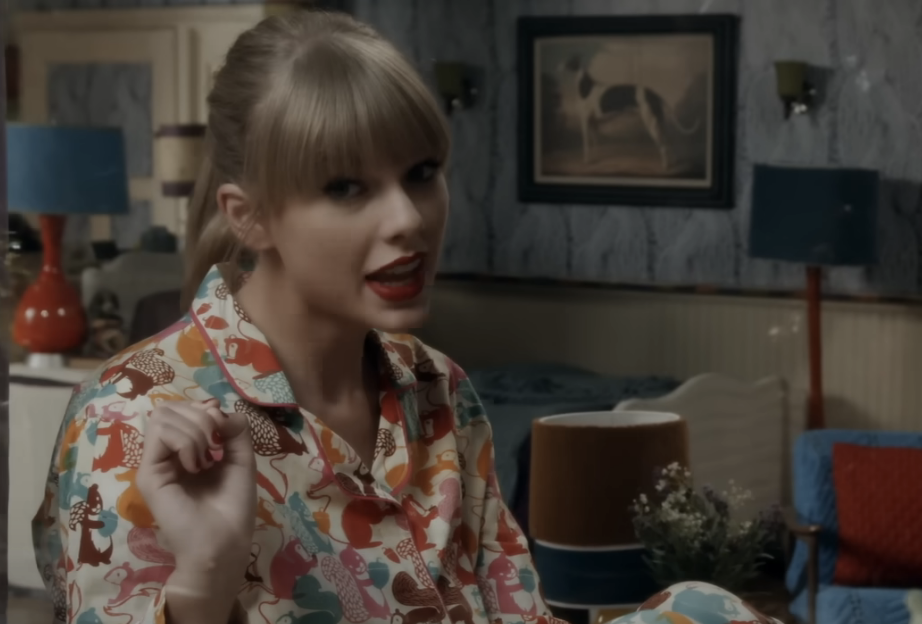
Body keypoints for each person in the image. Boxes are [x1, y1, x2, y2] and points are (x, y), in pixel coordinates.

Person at [32, 9, 781, 624]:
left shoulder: (436, 385)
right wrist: (204, 576)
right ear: (248, 216)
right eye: (347, 187)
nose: (409, 220)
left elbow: (515, 609)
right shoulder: (129, 418)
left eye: (422, 173)